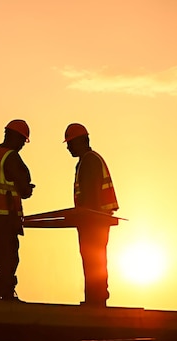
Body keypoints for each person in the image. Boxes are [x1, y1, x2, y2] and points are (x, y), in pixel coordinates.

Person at [0, 119, 35, 301]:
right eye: (22, 141)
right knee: (9, 257)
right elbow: (24, 187)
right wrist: (26, 190)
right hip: (7, 218)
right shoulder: (11, 157)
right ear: (17, 138)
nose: (21, 146)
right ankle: (7, 293)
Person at [64, 123, 119, 307]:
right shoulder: (88, 160)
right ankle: (95, 298)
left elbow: (90, 195)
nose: (68, 147)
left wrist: (85, 216)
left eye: (70, 143)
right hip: (94, 219)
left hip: (93, 221)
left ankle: (96, 299)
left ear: (81, 141)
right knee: (94, 259)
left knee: (93, 259)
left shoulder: (89, 161)